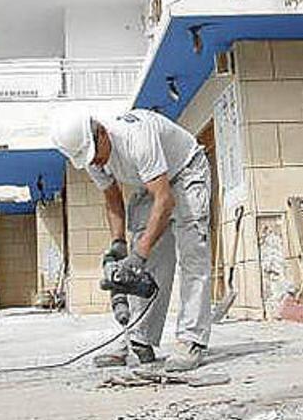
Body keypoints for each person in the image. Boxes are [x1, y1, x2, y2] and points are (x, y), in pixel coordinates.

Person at [50, 109, 212, 372]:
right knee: (146, 261)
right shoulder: (91, 157)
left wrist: (139, 254)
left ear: (102, 133)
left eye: (95, 156)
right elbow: (113, 200)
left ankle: (192, 339)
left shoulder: (136, 137)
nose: (96, 163)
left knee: (192, 254)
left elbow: (165, 199)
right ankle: (140, 338)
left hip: (185, 171)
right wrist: (118, 246)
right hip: (150, 183)